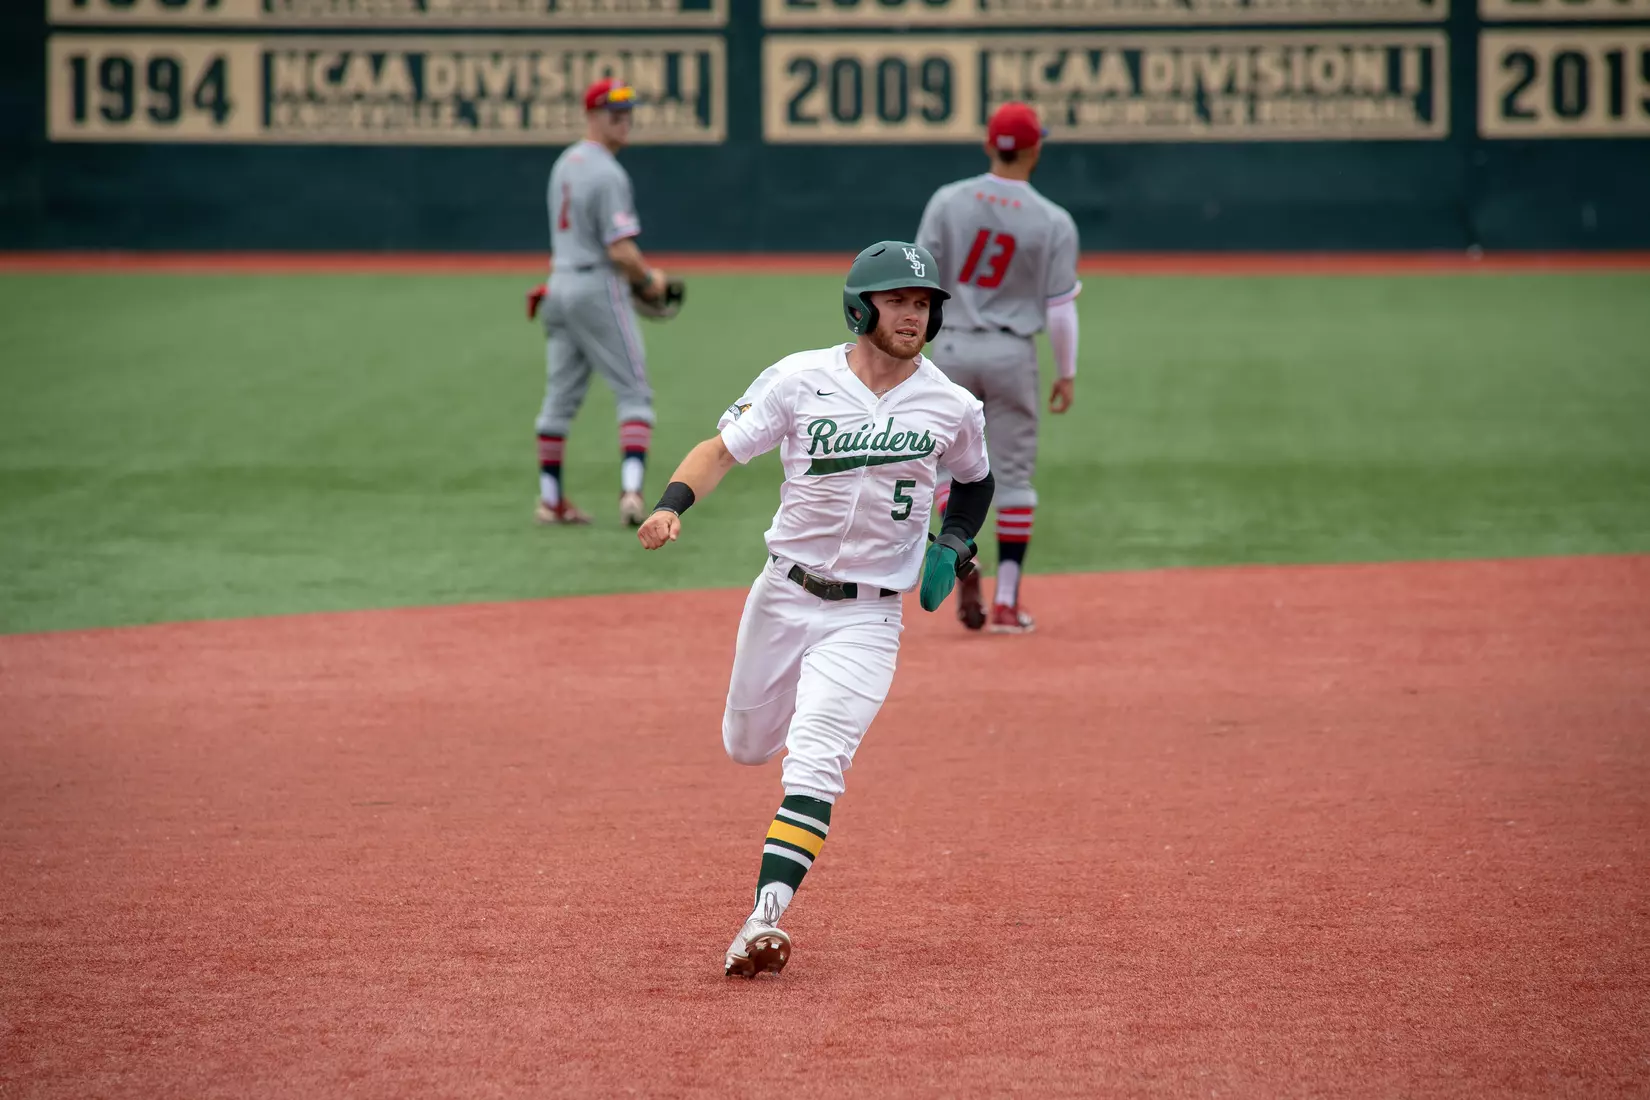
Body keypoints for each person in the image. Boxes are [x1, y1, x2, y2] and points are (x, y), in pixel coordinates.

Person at [635, 241, 995, 978]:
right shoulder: (800, 379)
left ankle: (762, 919)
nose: (912, 315)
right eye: (897, 301)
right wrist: (671, 507)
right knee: (746, 745)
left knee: (817, 757)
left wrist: (956, 539)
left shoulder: (952, 405)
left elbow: (976, 481)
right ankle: (777, 740)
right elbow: (720, 451)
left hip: (869, 615)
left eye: (923, 304)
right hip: (783, 594)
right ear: (861, 307)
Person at [916, 100, 1082, 633]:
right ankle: (1007, 602)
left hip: (953, 346)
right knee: (1013, 477)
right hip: (1012, 352)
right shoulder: (1053, 219)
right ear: (1035, 150)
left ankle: (959, 550)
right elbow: (1060, 308)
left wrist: (913, 353)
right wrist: (1066, 372)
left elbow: (919, 282)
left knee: (944, 467)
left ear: (990, 144)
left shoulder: (948, 200)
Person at [529, 78, 672, 527]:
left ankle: (550, 500)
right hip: (595, 287)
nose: (624, 121)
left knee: (558, 400)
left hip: (558, 286)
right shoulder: (607, 172)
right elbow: (621, 251)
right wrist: (648, 281)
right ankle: (632, 493)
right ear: (592, 115)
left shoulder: (566, 162)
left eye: (628, 113)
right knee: (635, 393)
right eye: (614, 113)